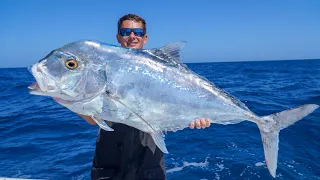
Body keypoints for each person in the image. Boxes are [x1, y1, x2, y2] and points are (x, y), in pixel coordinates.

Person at [80, 14, 211, 180]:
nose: (132, 36)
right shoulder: (105, 68)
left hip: (149, 165)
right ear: (118, 37)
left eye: (138, 32)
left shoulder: (162, 73)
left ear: (145, 38)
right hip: (110, 165)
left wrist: (195, 118)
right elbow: (93, 119)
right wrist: (65, 98)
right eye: (126, 31)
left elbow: (178, 107)